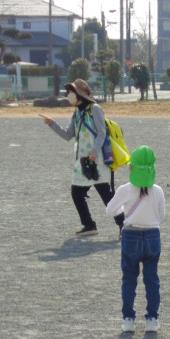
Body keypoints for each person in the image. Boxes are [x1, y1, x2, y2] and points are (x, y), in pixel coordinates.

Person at [40, 79, 124, 237]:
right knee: (77, 193)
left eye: (71, 92)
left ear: (79, 93)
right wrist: (52, 124)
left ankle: (123, 224)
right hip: (82, 162)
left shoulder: (95, 109)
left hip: (97, 161)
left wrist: (94, 152)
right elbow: (68, 135)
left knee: (106, 195)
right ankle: (89, 225)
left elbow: (102, 132)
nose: (68, 95)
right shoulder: (77, 113)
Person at [105, 146, 165, 332]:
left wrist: (124, 212)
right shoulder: (157, 190)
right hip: (152, 234)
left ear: (132, 167)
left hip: (131, 234)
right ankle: (152, 319)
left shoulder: (126, 189)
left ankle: (128, 319)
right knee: (152, 279)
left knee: (129, 278)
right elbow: (161, 216)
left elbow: (110, 210)